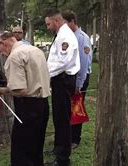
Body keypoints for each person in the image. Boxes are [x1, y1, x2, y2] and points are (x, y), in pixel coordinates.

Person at [0, 31, 50, 166]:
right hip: (43, 104)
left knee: (21, 149)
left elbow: (20, 90)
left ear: (3, 43)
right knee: (37, 146)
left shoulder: (14, 57)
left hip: (27, 106)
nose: (0, 53)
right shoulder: (36, 50)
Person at [44, 9, 80, 166]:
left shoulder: (65, 36)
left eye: (48, 24)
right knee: (59, 118)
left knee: (63, 120)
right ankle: (59, 149)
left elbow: (63, 62)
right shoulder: (60, 35)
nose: (47, 27)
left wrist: (45, 74)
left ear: (56, 21)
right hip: (59, 80)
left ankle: (63, 158)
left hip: (63, 80)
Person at [62, 10, 93, 150]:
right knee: (68, 107)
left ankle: (75, 138)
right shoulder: (67, 37)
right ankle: (67, 136)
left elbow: (84, 62)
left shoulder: (82, 38)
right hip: (70, 77)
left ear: (72, 22)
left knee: (76, 107)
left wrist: (79, 83)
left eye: (65, 24)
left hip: (80, 77)